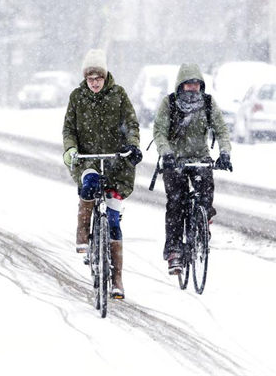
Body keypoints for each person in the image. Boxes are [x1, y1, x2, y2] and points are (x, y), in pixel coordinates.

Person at [62, 49, 142, 300]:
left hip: (116, 163)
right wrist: (71, 149)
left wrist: (133, 145)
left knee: (114, 223)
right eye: (90, 79)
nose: (94, 83)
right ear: (85, 79)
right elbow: (69, 129)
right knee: (89, 185)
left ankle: (117, 279)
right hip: (88, 160)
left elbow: (131, 124)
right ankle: (82, 230)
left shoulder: (119, 96)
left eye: (98, 78)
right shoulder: (77, 98)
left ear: (105, 77)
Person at [153, 63, 232, 275]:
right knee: (176, 204)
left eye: (196, 84)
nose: (192, 88)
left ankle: (202, 224)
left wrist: (225, 153)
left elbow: (222, 130)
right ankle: (174, 251)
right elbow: (159, 132)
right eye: (188, 84)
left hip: (200, 159)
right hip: (175, 160)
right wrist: (166, 153)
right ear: (180, 85)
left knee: (206, 197)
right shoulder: (169, 103)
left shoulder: (207, 103)